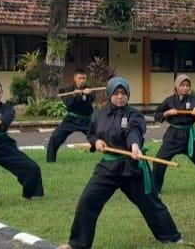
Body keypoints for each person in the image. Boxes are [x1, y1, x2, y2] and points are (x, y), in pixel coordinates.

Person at [60, 77, 182, 249]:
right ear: (110, 94)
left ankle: (171, 237)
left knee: (151, 203)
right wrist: (96, 142)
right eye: (116, 93)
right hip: (107, 168)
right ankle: (77, 244)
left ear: (128, 95)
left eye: (123, 93)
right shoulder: (99, 114)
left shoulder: (134, 114)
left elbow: (134, 131)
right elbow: (91, 132)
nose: (120, 97)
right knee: (88, 200)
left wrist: (134, 146)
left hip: (131, 167)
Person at [152, 75, 195, 193]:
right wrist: (167, 112)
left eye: (187, 86)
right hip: (174, 135)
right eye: (182, 85)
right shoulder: (169, 100)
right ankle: (155, 190)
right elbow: (157, 114)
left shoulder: (192, 99)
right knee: (159, 161)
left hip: (190, 136)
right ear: (176, 87)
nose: (185, 88)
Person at [47, 69, 96, 163]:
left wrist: (88, 94)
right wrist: (74, 95)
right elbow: (67, 103)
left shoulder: (90, 90)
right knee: (55, 138)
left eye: (84, 78)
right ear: (74, 79)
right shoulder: (68, 90)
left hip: (86, 120)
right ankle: (50, 161)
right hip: (71, 120)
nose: (82, 80)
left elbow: (92, 100)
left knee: (99, 136)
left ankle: (106, 156)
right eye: (80, 78)